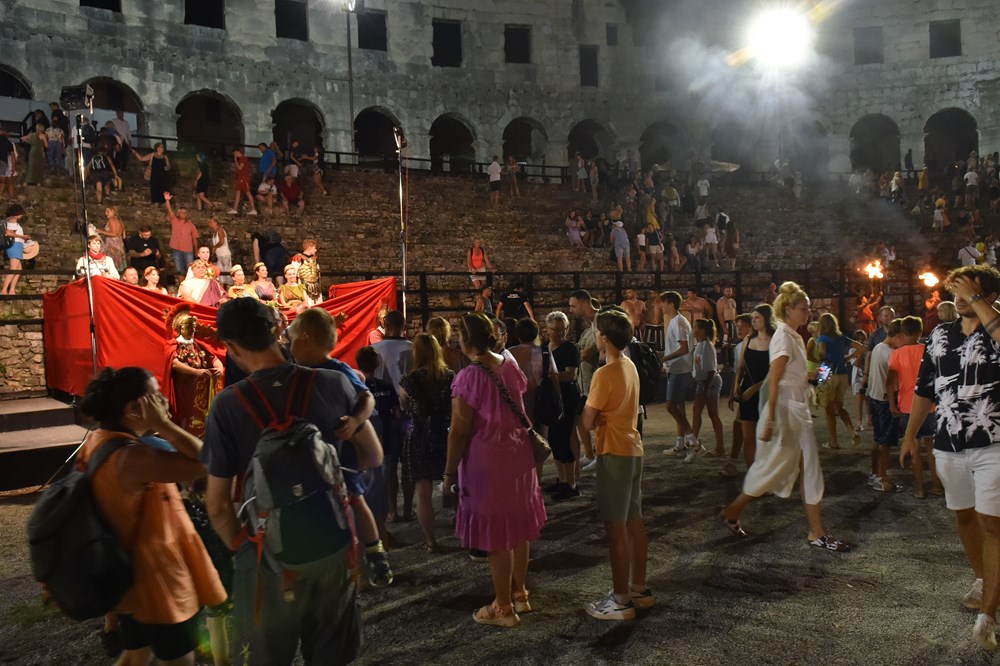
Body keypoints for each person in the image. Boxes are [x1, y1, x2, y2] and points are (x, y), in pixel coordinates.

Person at [203, 298, 382, 664]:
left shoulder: (227, 405)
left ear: (232, 347)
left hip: (269, 559)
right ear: (277, 332)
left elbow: (218, 505)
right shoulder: (333, 382)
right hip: (332, 547)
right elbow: (374, 455)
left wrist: (245, 550)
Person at [77, 367, 227, 666]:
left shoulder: (100, 440)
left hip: (131, 579)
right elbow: (207, 461)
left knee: (137, 655)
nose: (164, 401)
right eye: (156, 396)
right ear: (135, 409)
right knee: (179, 660)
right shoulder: (132, 457)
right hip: (157, 583)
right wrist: (164, 425)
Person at [905, 265, 1000, 649]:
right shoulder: (940, 335)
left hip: (992, 441)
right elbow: (924, 389)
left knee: (992, 525)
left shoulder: (995, 328)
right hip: (948, 443)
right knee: (964, 517)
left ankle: (988, 615)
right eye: (955, 291)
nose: (959, 298)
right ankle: (983, 579)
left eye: (968, 290)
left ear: (989, 295)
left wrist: (977, 300)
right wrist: (910, 436)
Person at [720, 282, 851, 552]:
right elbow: (776, 379)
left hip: (795, 409)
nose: (808, 313)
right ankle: (815, 532)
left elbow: (794, 376)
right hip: (788, 412)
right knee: (782, 468)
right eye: (804, 308)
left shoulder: (793, 336)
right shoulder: (783, 337)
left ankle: (737, 511)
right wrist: (769, 420)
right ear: (788, 309)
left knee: (787, 468)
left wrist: (819, 374)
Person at [443, 313, 547, 627]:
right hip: (518, 455)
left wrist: (448, 472)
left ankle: (502, 607)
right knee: (518, 529)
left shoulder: (467, 377)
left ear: (465, 340)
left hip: (487, 461)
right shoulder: (509, 364)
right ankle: (520, 593)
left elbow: (459, 430)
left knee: (497, 536)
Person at [286, 308, 393, 588]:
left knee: (354, 501)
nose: (288, 344)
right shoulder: (296, 371)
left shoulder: (339, 370)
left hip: (341, 454)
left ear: (306, 338)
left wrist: (355, 419)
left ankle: (375, 553)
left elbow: (367, 397)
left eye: (292, 338)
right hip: (318, 454)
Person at [581, 309, 653, 620]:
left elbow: (587, 420)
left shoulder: (604, 373)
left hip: (614, 452)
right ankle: (639, 588)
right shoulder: (629, 365)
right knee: (634, 521)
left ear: (604, 338)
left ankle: (621, 599)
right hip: (633, 448)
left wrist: (596, 417)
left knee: (615, 527)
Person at [397, 333, 455, 550]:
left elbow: (404, 405)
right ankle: (466, 531)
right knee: (454, 484)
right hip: (446, 435)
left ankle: (431, 541)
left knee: (423, 491)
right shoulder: (449, 376)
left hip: (419, 436)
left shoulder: (409, 379)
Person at [888, 315, 942, 498]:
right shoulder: (928, 350)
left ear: (902, 333)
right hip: (929, 406)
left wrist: (891, 403)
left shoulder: (897, 354)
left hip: (907, 406)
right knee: (932, 449)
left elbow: (890, 381)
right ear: (920, 332)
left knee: (914, 449)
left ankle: (920, 489)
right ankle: (937, 485)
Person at [162, 304, 224, 438]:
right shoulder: (173, 345)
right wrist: (195, 372)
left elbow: (213, 358)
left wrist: (219, 368)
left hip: (199, 390)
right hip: (183, 389)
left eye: (193, 327)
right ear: (181, 328)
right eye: (189, 327)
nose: (192, 330)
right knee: (185, 416)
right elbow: (174, 363)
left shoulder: (197, 345)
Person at [544, 311, 582, 500]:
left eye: (562, 330)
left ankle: (571, 483)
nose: (559, 334)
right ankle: (561, 479)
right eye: (555, 330)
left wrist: (550, 377)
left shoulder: (570, 348)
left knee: (564, 437)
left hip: (567, 396)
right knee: (554, 439)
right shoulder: (545, 348)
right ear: (547, 329)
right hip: (552, 397)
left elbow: (571, 375)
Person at [817, 313, 865, 449]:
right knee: (839, 407)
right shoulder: (841, 338)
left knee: (828, 409)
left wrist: (820, 369)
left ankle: (833, 441)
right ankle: (852, 432)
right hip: (842, 373)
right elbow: (861, 347)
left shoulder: (822, 338)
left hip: (826, 370)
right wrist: (847, 357)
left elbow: (822, 354)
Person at [865, 318, 901, 492]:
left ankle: (874, 473)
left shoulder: (878, 347)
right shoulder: (891, 353)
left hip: (874, 397)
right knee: (885, 443)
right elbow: (891, 381)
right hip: (886, 400)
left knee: (878, 439)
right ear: (899, 335)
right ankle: (881, 477)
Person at [659, 291, 695, 455]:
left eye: (663, 302)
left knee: (671, 405)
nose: (661, 306)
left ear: (671, 304)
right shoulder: (675, 321)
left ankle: (692, 439)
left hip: (680, 369)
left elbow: (684, 348)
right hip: (677, 368)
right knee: (679, 406)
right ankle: (680, 443)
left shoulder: (679, 322)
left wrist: (665, 358)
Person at [569, 290, 599, 468]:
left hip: (595, 381)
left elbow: (591, 353)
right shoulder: (590, 328)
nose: (571, 310)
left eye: (573, 306)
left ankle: (599, 456)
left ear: (584, 303)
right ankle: (591, 454)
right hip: (586, 383)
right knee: (581, 419)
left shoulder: (599, 322)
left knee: (595, 421)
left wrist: (574, 355)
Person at [690, 318, 725, 460]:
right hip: (704, 381)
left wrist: (705, 387)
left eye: (695, 327)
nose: (693, 330)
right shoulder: (701, 345)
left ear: (703, 330)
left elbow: (710, 370)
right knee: (699, 410)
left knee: (709, 412)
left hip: (709, 382)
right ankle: (694, 443)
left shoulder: (707, 346)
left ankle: (698, 444)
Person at [164, 192, 198, 278]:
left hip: (188, 250)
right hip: (176, 249)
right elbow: (169, 210)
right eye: (181, 212)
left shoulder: (191, 225)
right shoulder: (174, 221)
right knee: (179, 271)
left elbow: (195, 238)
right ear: (178, 213)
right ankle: (181, 285)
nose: (183, 214)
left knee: (190, 270)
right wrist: (167, 200)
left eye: (185, 212)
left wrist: (196, 250)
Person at [2, 204, 29, 295]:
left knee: (18, 270)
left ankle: (12, 290)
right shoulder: (12, 220)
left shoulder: (12, 221)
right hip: (14, 245)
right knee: (13, 269)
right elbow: (8, 233)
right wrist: (22, 236)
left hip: (17, 245)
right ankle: (4, 290)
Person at [95, 206, 126, 271]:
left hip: (113, 244)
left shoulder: (111, 220)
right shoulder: (119, 220)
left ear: (113, 212)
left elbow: (114, 234)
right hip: (119, 244)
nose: (106, 213)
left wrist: (101, 231)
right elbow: (124, 236)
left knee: (111, 265)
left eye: (108, 211)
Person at [228, 148, 258, 216]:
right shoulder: (240, 159)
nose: (234, 155)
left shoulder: (243, 159)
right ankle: (234, 209)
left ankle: (253, 209)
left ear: (238, 152)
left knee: (248, 193)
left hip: (244, 179)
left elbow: (239, 168)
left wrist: (235, 160)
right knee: (237, 193)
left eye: (235, 153)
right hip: (240, 179)